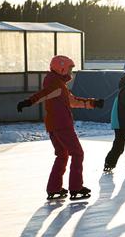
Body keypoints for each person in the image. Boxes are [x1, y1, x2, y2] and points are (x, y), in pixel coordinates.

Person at [17, 55, 103, 200]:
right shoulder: (55, 85)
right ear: (61, 68)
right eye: (69, 69)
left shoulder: (59, 85)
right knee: (77, 153)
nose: (71, 72)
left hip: (53, 126)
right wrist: (28, 102)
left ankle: (54, 188)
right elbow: (43, 94)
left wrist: (93, 103)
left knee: (62, 155)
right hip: (62, 125)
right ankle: (76, 188)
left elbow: (73, 101)